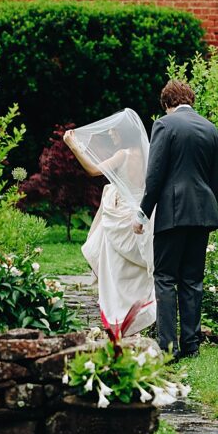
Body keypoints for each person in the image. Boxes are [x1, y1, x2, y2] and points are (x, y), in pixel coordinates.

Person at [133, 80, 218, 360]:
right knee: (193, 280)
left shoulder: (164, 125)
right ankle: (192, 347)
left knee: (165, 277)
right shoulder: (210, 128)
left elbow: (155, 174)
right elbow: (215, 178)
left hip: (173, 212)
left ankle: (168, 347)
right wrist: (208, 207)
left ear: (167, 103)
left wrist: (143, 213)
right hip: (203, 212)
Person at [63, 109, 156, 336]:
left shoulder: (123, 154)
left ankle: (118, 320)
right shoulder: (148, 154)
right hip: (140, 218)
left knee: (115, 273)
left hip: (119, 219)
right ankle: (135, 316)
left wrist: (74, 146)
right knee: (135, 274)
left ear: (124, 133)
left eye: (114, 131)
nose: (112, 134)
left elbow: (93, 169)